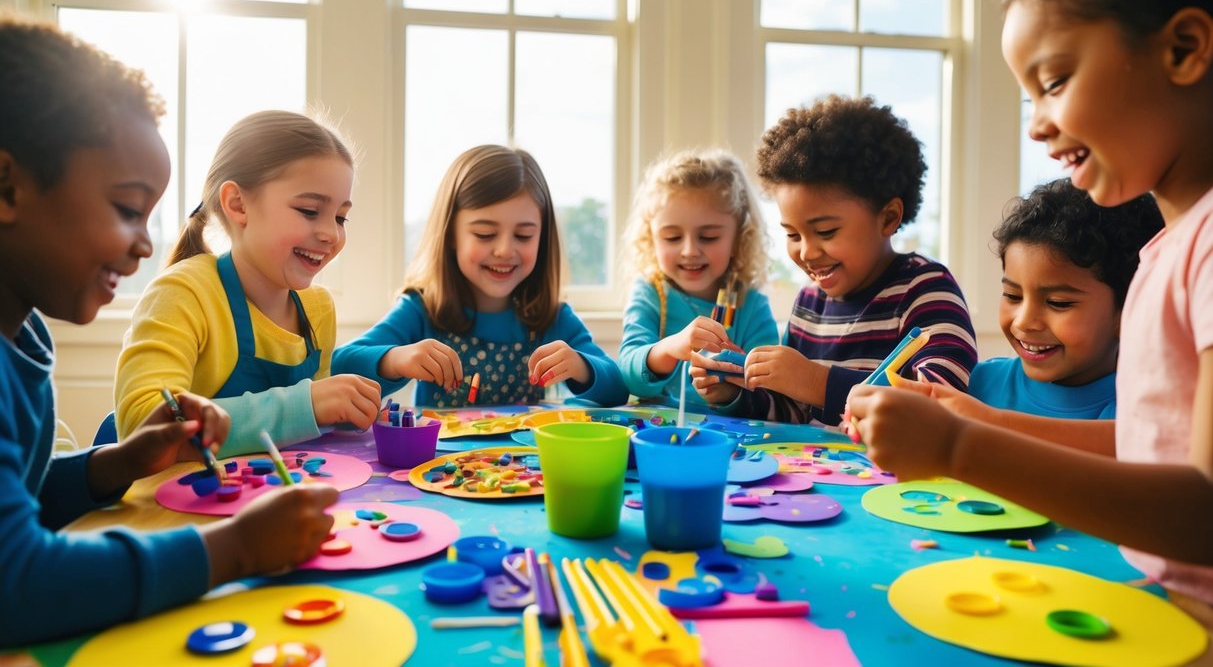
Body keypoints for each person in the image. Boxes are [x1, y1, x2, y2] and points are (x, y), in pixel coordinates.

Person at [847, 0, 1213, 628]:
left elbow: (1204, 509)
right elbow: (1147, 447)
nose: (1037, 127)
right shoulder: (1169, 245)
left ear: (1183, 48)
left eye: (1053, 82)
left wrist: (957, 447)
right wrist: (974, 418)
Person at [0, 15, 335, 646]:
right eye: (127, 210)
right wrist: (231, 549)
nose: (145, 245)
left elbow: (16, 500)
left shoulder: (22, 340)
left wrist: (111, 465)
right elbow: (15, 580)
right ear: (7, 187)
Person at [112, 110, 381, 456]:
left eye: (341, 217)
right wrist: (305, 405)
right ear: (238, 205)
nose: (331, 233)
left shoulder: (317, 308)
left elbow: (311, 437)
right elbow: (140, 425)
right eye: (310, 211)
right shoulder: (183, 294)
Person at [702, 95, 978, 426]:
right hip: (820, 473)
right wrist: (734, 393)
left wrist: (815, 381)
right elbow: (795, 410)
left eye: (826, 231)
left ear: (888, 217)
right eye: (792, 235)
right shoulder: (808, 302)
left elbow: (940, 401)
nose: (806, 253)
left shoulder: (926, 289)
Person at [332, 145, 627, 408]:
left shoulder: (552, 317)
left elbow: (617, 387)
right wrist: (395, 359)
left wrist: (581, 366)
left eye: (524, 235)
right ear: (451, 235)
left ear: (542, 238)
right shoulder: (422, 310)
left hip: (522, 467)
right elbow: (340, 365)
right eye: (485, 234)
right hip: (440, 467)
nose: (504, 250)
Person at [914, 179, 1161, 448]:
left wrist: (986, 423)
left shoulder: (1144, 410)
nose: (1024, 321)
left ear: (1130, 310)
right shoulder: (975, 384)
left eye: (1058, 302)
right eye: (1013, 296)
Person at [617, 149, 779, 412]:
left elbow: (771, 394)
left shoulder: (751, 306)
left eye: (709, 237)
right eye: (672, 238)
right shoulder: (650, 294)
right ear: (651, 238)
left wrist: (730, 388)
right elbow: (628, 374)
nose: (690, 250)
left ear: (738, 238)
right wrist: (670, 349)